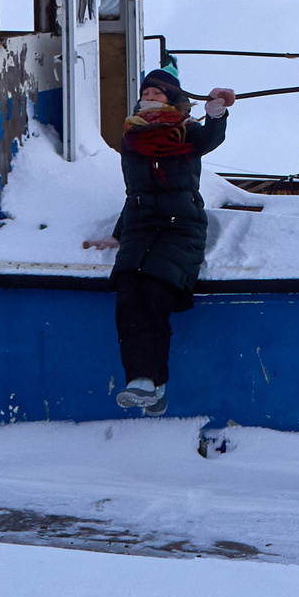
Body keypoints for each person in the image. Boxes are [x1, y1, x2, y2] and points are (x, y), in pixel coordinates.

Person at [108, 68, 236, 414]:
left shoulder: (187, 131)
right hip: (139, 227)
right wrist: (117, 234)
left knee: (154, 294)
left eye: (158, 93)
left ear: (173, 100)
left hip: (181, 226)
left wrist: (217, 113)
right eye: (146, 92)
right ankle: (141, 381)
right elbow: (134, 190)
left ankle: (155, 384)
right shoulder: (131, 137)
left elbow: (209, 139)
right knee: (127, 298)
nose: (149, 97)